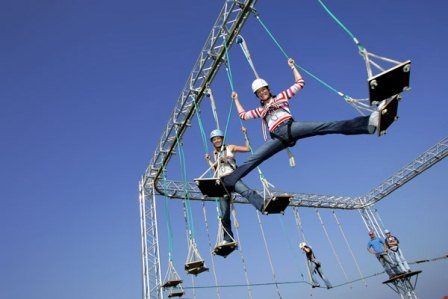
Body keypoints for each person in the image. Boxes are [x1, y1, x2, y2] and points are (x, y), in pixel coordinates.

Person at [220, 57, 380, 191]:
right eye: (259, 92)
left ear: (268, 89)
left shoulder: (281, 97)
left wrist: (293, 67)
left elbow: (300, 83)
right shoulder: (261, 111)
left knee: (324, 126)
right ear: (258, 96)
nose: (263, 92)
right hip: (277, 138)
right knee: (255, 158)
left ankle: (367, 124)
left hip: (290, 128)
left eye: (264, 89)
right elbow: (243, 115)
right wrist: (236, 100)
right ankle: (228, 181)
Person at [205, 128, 265, 246]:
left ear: (222, 139)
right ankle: (228, 238)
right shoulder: (215, 153)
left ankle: (263, 205)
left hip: (232, 176)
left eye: (218, 138)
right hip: (221, 181)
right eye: (214, 139)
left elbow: (247, 149)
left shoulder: (230, 147)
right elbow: (215, 169)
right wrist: (209, 160)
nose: (216, 141)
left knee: (247, 192)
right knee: (224, 213)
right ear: (212, 142)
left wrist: (245, 134)